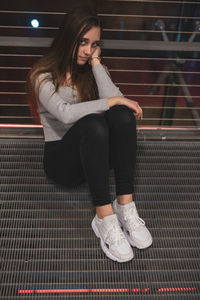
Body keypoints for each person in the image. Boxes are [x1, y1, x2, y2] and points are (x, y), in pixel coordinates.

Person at [27, 7, 152, 263]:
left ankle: (124, 206)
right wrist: (113, 101)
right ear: (67, 38)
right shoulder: (42, 76)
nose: (87, 50)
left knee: (122, 115)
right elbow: (64, 113)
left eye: (93, 44)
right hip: (63, 163)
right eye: (82, 42)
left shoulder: (89, 70)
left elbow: (114, 101)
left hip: (91, 159)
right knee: (95, 122)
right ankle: (104, 219)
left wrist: (96, 64)